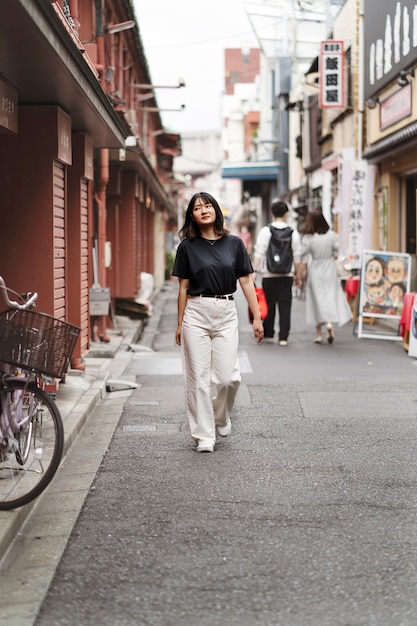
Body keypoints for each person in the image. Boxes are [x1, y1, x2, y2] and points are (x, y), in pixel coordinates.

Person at [172, 192, 264, 453]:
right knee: (197, 379)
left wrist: (257, 317)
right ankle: (204, 435)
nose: (203, 210)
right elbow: (183, 288)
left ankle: (221, 415)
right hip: (196, 312)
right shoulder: (187, 247)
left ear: (216, 210)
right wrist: (180, 323)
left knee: (228, 379)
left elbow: (246, 281)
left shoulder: (234, 244)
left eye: (208, 205)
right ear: (191, 215)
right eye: (197, 208)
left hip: (226, 311)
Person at [252, 199, 303, 345]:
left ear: (272, 213)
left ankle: (268, 333)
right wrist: (298, 275)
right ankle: (283, 337)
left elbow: (259, 253)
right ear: (286, 214)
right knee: (285, 305)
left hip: (269, 274)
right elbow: (298, 256)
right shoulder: (293, 233)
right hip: (286, 275)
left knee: (269, 303)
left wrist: (254, 270)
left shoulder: (265, 231)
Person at [300, 209, 352, 343]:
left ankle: (318, 334)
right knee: (329, 296)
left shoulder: (308, 238)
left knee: (315, 299)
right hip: (329, 268)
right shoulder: (331, 235)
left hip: (315, 268)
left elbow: (303, 256)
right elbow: (336, 251)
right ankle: (329, 323)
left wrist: (300, 273)